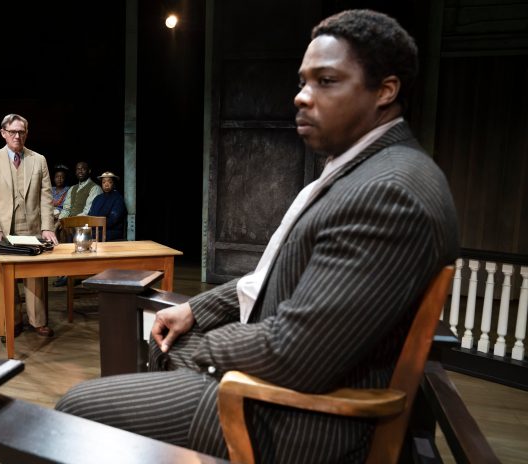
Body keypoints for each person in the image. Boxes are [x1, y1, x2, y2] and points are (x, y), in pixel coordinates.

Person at [54, 9, 459, 462]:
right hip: (288, 385)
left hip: (300, 420)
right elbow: (270, 278)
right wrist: (195, 308)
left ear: (386, 90)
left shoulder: (390, 193)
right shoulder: (369, 169)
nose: (302, 97)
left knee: (76, 408)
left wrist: (200, 353)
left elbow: (295, 354)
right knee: (167, 338)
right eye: (303, 82)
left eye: (325, 81)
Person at [0, 113, 57, 338]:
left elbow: (46, 197)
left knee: (36, 275)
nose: (17, 136)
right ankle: (12, 321)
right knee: (6, 277)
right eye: (12, 131)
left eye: (21, 131)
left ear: (27, 133)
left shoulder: (38, 159)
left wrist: (47, 227)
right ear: (3, 133)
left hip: (31, 226)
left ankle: (38, 321)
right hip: (3, 228)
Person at [88, 171, 127, 241]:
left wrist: (95, 227)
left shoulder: (118, 199)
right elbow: (90, 215)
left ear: (114, 184)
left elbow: (113, 220)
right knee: (80, 233)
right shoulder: (97, 198)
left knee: (92, 236)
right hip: (96, 230)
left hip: (111, 231)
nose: (106, 184)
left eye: (109, 182)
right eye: (103, 182)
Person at [51, 164, 71, 243]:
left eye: (62, 177)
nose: (59, 179)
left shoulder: (69, 189)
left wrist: (59, 215)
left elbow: (68, 207)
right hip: (50, 215)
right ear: (54, 178)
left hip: (62, 216)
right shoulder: (50, 189)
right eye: (57, 177)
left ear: (65, 178)